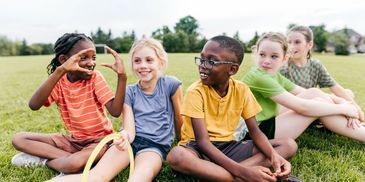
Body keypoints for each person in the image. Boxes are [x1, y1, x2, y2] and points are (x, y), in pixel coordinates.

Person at [50, 37, 183, 182]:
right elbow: (129, 128)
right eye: (137, 61)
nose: (143, 65)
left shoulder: (171, 84)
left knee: (141, 175)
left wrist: (180, 141)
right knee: (95, 177)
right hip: (127, 142)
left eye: (149, 60)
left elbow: (178, 116)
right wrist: (125, 136)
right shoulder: (129, 92)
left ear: (161, 62)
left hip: (154, 147)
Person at [167, 35, 298, 182]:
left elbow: (255, 131)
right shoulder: (195, 92)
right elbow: (203, 142)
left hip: (228, 147)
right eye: (202, 59)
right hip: (197, 148)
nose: (203, 65)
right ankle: (242, 176)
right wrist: (244, 172)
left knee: (288, 145)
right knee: (177, 155)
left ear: (232, 69)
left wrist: (274, 157)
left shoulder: (241, 90)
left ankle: (221, 176)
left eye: (212, 61)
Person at [11, 33, 127, 174]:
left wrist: (122, 77)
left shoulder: (95, 78)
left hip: (99, 142)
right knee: (19, 139)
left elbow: (115, 112)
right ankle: (66, 160)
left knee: (72, 164)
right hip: (74, 142)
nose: (91, 63)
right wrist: (60, 71)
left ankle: (46, 161)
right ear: (64, 60)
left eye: (93, 58)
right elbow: (33, 105)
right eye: (84, 58)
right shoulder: (59, 82)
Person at [241, 32, 365, 141]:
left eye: (274, 56)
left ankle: (356, 128)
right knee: (316, 105)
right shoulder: (258, 77)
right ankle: (360, 132)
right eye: (262, 54)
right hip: (252, 132)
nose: (266, 61)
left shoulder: (273, 75)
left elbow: (308, 92)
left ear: (285, 58)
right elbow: (302, 107)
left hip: (264, 121)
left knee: (314, 94)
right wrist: (343, 109)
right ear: (256, 54)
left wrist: (341, 101)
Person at [280, 25, 364, 128]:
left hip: (316, 102)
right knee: (329, 99)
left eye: (297, 42)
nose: (291, 46)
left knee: (347, 93)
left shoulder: (315, 65)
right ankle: (342, 117)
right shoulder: (283, 68)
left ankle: (349, 115)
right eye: (289, 42)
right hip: (297, 108)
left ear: (309, 44)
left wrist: (356, 108)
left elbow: (334, 86)